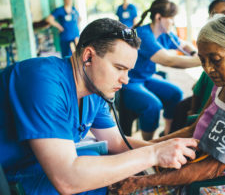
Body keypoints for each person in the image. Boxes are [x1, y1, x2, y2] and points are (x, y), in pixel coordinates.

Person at [0, 18, 199, 195]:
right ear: (88, 56)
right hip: (10, 175)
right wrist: (154, 154)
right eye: (119, 68)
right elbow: (67, 180)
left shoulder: (94, 91)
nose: (126, 80)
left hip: (34, 164)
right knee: (93, 175)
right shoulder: (42, 80)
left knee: (99, 160)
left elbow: (117, 144)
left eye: (129, 71)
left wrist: (169, 153)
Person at [110, 15, 225, 195]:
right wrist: (147, 148)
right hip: (203, 160)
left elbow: (211, 168)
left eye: (215, 59)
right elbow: (194, 129)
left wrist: (140, 181)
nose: (208, 69)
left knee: (137, 189)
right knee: (129, 169)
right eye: (202, 60)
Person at [122, 0, 201, 140]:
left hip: (145, 78)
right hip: (129, 82)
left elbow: (183, 45)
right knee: (153, 105)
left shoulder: (164, 35)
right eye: (171, 18)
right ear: (159, 17)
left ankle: (166, 135)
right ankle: (149, 144)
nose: (173, 22)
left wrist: (195, 54)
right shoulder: (143, 35)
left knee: (175, 94)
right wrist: (201, 61)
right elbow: (168, 60)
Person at [170, 0, 225, 133]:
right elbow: (198, 89)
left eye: (216, 59)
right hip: (206, 107)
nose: (221, 20)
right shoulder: (212, 49)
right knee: (181, 108)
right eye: (215, 16)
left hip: (219, 113)